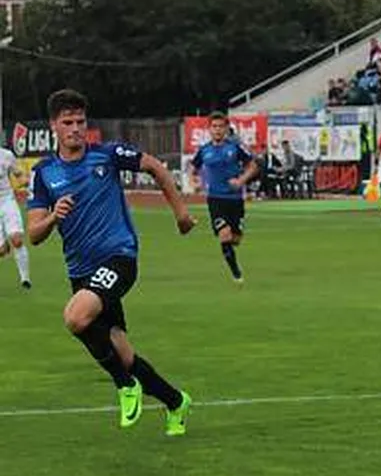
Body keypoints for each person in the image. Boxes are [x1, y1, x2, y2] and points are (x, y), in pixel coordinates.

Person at [26, 89, 197, 434]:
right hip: (81, 270)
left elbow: (156, 168)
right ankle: (176, 401)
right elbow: (34, 233)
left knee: (75, 317)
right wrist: (53, 218)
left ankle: (124, 385)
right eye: (68, 122)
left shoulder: (106, 155)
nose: (75, 128)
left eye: (80, 121)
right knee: (123, 353)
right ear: (54, 126)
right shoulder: (44, 173)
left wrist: (181, 214)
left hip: (119, 257)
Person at [191, 111, 259, 282]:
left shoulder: (235, 148)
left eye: (221, 126)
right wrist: (196, 182)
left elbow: (253, 166)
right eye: (214, 126)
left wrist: (241, 180)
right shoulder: (204, 150)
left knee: (235, 239)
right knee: (224, 234)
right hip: (215, 199)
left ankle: (232, 256)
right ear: (209, 129)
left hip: (235, 199)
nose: (217, 130)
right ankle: (236, 274)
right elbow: (193, 170)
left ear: (226, 128)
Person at [0, 144, 32, 289]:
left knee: (17, 240)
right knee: (1, 251)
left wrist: (24, 180)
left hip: (7, 201)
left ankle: (25, 278)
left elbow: (18, 173)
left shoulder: (6, 155)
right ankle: (3, 246)